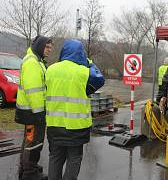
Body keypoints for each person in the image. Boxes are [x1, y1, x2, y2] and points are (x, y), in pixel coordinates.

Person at [45, 39, 105, 180]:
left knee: (55, 158)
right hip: (76, 128)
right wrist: (89, 62)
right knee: (74, 159)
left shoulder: (50, 70)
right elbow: (100, 78)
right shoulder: (84, 73)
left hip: (54, 124)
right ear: (80, 54)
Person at [15, 35, 52, 180]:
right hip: (33, 112)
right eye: (47, 47)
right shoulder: (32, 63)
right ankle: (30, 173)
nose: (49, 50)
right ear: (39, 46)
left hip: (30, 111)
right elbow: (34, 91)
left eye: (50, 47)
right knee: (33, 142)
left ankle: (26, 168)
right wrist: (39, 114)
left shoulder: (36, 60)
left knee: (30, 140)